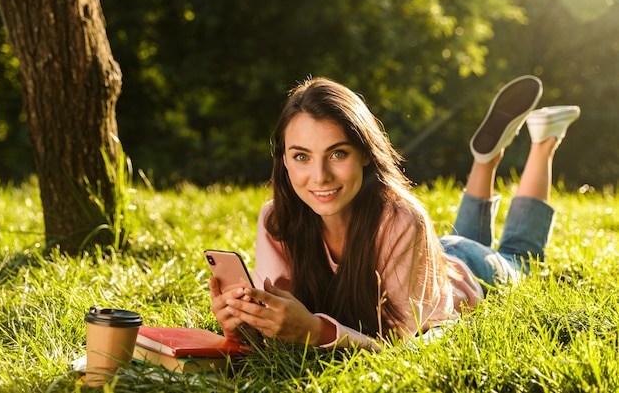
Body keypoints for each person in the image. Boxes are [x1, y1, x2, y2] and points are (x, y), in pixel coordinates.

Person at [209, 75, 580, 349]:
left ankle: (544, 140)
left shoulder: (402, 218)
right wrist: (243, 323)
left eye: (338, 153)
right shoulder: (277, 220)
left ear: (366, 153)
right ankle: (485, 160)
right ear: (284, 160)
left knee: (519, 257)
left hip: (468, 272)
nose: (319, 176)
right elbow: (280, 317)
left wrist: (319, 333)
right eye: (301, 156)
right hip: (429, 258)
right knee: (463, 240)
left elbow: (411, 345)